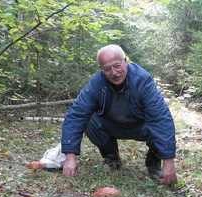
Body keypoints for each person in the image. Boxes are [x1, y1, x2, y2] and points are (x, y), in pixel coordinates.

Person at [61, 44, 177, 185]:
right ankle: (112, 159)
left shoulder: (142, 80)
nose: (114, 72)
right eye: (107, 69)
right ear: (101, 70)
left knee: (155, 125)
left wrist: (168, 159)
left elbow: (160, 117)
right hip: (113, 125)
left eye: (117, 65)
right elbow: (76, 114)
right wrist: (70, 156)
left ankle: (154, 163)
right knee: (89, 119)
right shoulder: (97, 83)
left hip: (141, 127)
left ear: (125, 62)